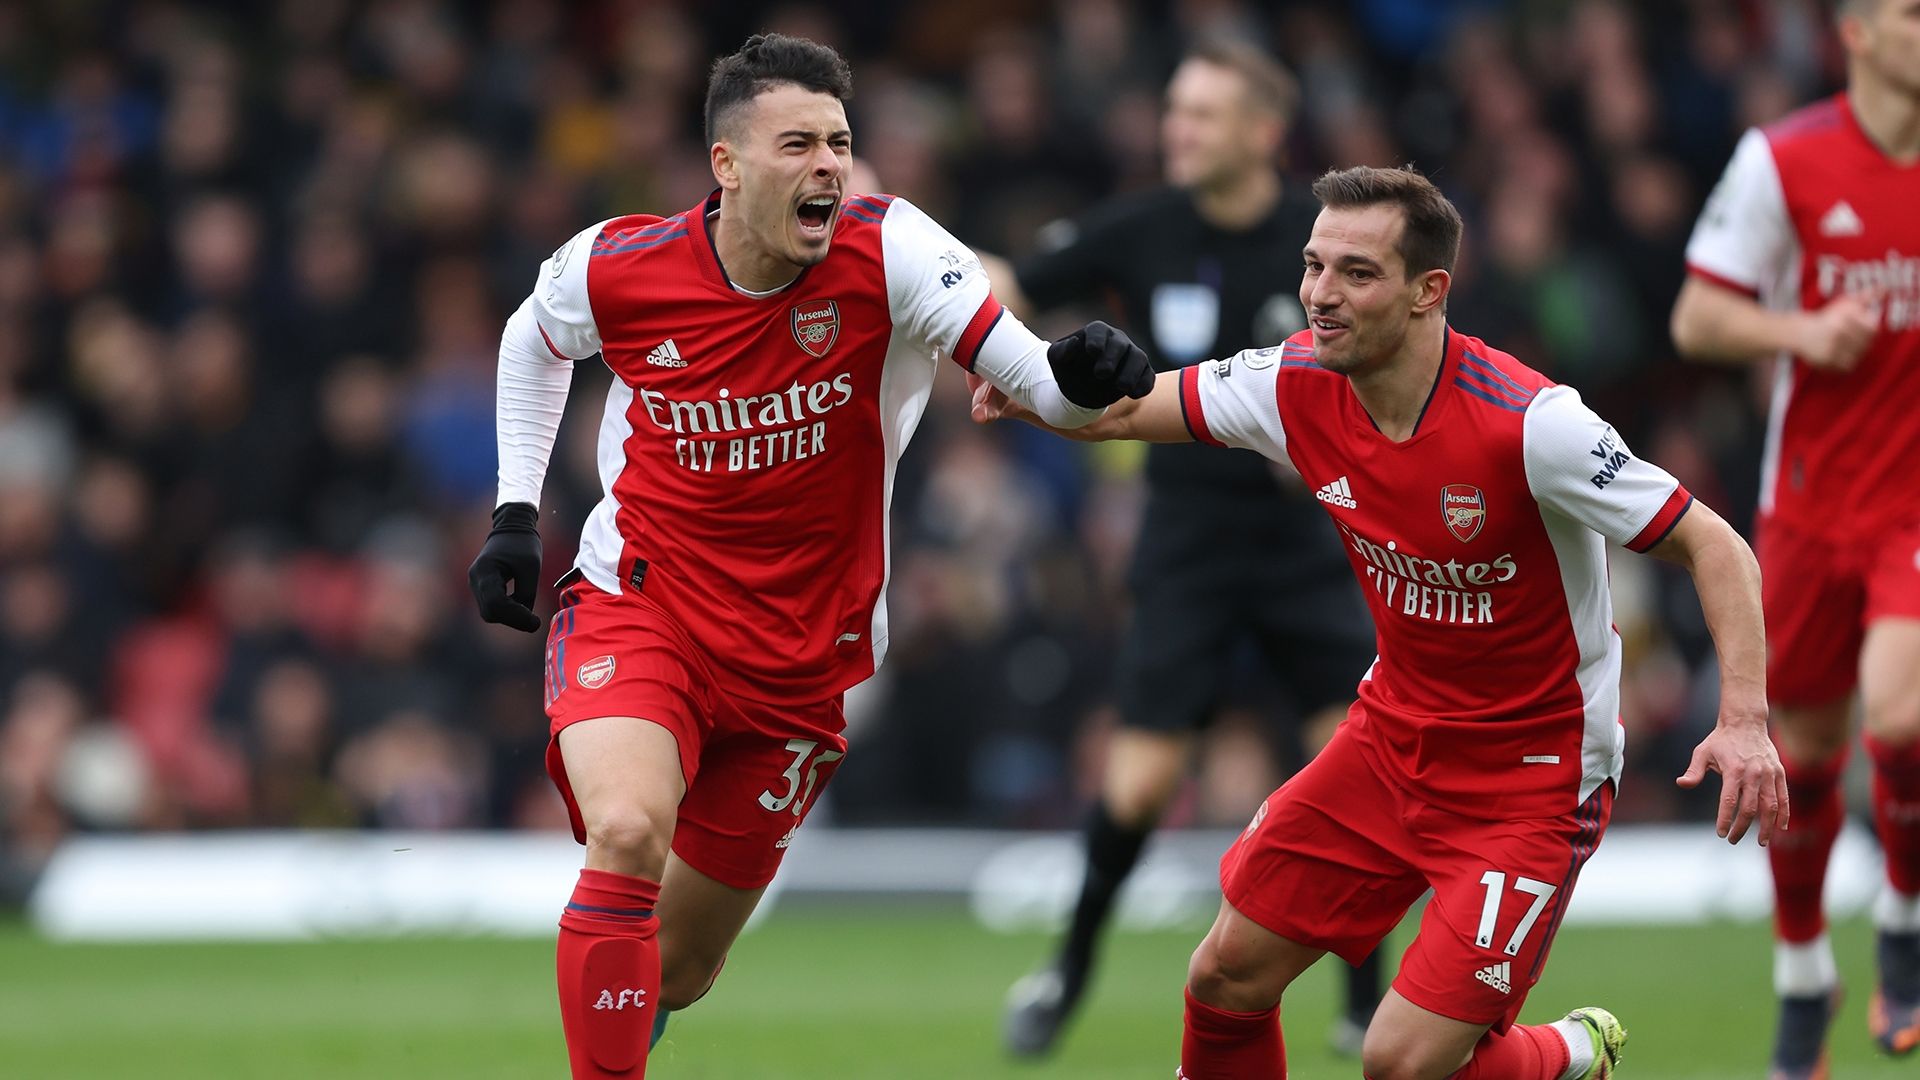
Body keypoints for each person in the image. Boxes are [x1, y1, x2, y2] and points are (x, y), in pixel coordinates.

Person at [975, 164, 1787, 1080]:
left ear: (1427, 293)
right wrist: (1046, 380)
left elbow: (1716, 546)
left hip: (1531, 781)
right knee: (1224, 974)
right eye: (1314, 266)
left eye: (1356, 274)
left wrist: (1745, 721)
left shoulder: (1533, 425)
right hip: (1389, 743)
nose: (1320, 295)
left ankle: (1568, 1051)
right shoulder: (1293, 384)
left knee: (1399, 1064)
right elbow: (1118, 413)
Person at [464, 33, 1154, 1079]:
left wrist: (1089, 372)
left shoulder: (895, 253)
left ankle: (622, 1018)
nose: (830, 163)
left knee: (681, 969)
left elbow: (1039, 382)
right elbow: (532, 337)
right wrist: (516, 509)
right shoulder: (624, 265)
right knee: (628, 828)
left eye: (840, 140)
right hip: (642, 602)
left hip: (803, 658)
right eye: (799, 143)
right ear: (728, 165)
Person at [980, 40, 1382, 1058]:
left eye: (1203, 114)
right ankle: (1067, 969)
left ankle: (1363, 997)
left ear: (1262, 131)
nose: (1179, 130)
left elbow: (1400, 355)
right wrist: (965, 308)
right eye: (1175, 112)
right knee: (1139, 787)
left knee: (1352, 767)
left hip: (1306, 542)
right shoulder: (1142, 228)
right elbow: (1008, 280)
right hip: (1188, 545)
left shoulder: (1318, 241)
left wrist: (1355, 438)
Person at [1670, 2, 1920, 1074]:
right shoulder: (1783, 160)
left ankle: (1905, 918)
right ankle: (1804, 970)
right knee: (1806, 755)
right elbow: (1696, 318)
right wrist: (1800, 330)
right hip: (1811, 505)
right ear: (1859, 31)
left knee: (1902, 713)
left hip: (1913, 506)